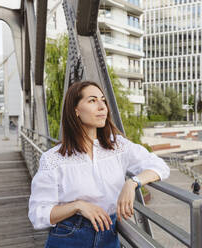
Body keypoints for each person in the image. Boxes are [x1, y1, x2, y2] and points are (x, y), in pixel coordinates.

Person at [28, 81, 170, 248]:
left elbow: (160, 166)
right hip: (69, 237)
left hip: (109, 236)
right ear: (76, 110)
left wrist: (132, 183)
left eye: (103, 100)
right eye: (92, 101)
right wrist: (77, 206)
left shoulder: (118, 147)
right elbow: (38, 214)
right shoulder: (54, 158)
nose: (102, 107)